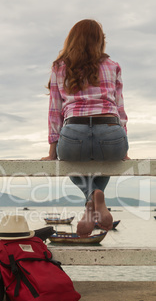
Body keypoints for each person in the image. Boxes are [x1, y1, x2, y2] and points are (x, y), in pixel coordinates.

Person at [42, 19, 129, 236]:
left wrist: (53, 152)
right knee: (106, 160)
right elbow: (119, 109)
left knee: (71, 162)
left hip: (74, 132)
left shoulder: (59, 67)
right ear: (100, 41)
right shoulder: (113, 66)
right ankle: (96, 195)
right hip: (110, 129)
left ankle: (91, 196)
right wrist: (123, 150)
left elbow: (55, 111)